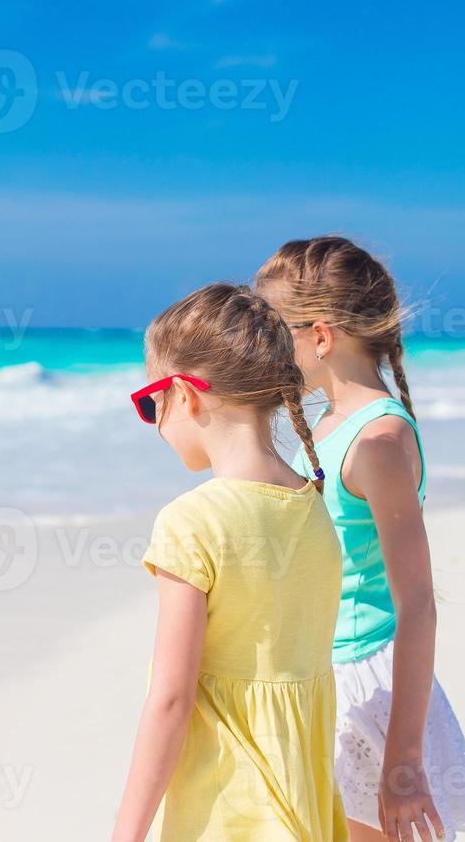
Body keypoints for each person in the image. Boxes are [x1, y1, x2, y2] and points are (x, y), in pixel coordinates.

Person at [256, 237, 465, 842]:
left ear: (322, 336)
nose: (264, 348)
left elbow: (417, 603)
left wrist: (405, 757)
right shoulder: (330, 426)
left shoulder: (377, 443)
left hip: (368, 684)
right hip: (320, 672)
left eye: (274, 330)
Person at [111, 283, 348, 842]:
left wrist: (126, 833)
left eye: (150, 404)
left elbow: (171, 698)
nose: (153, 421)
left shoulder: (192, 522)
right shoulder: (312, 511)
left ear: (186, 396)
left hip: (228, 814)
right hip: (303, 803)